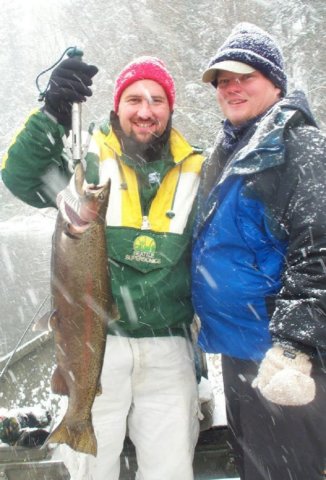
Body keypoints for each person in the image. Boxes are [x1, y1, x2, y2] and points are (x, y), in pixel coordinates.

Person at [2, 55, 204, 479]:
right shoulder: (87, 160)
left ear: (170, 109)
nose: (145, 111)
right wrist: (52, 114)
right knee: (90, 470)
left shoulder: (197, 169)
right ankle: (76, 424)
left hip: (169, 348)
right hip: (95, 345)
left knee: (171, 470)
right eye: (134, 99)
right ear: (117, 106)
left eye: (157, 100)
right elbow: (19, 174)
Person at [192, 22, 326, 480]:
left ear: (275, 82)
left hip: (282, 361)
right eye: (222, 81)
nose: (231, 88)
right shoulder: (232, 148)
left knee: (289, 472)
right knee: (254, 468)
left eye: (243, 77)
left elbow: (318, 249)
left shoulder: (298, 146)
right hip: (241, 352)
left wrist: (295, 346)